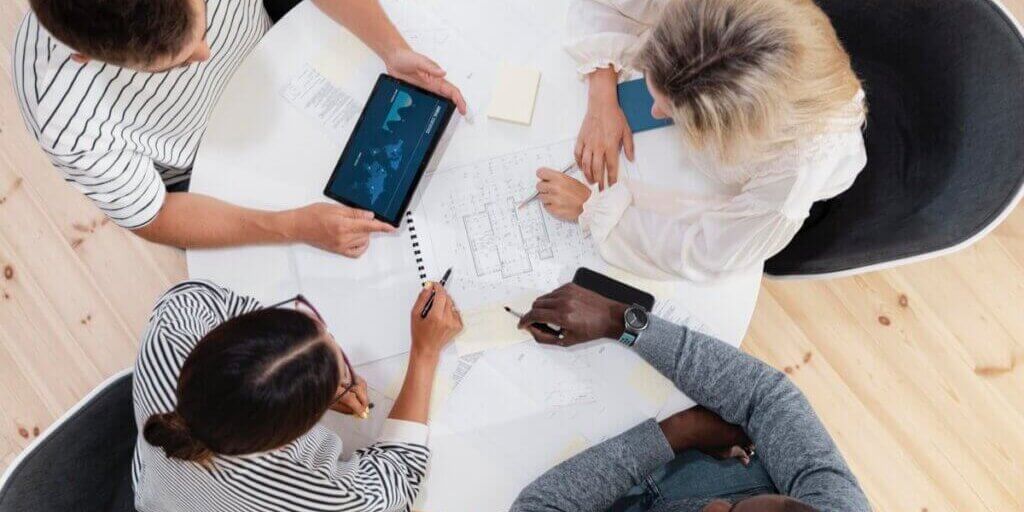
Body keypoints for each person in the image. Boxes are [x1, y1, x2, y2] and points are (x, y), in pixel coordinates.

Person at [13, 0, 467, 258]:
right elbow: (153, 214)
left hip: (275, 38)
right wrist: (291, 226)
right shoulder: (60, 114)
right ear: (85, 57)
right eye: (178, 64)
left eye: (203, 26)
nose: (205, 54)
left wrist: (391, 48)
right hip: (205, 169)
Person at [535, 0, 867, 281]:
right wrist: (601, 94)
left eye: (669, 110)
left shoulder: (793, 172)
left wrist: (591, 209)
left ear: (726, 134)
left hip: (756, 182)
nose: (653, 111)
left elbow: (706, 254)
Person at [509, 284, 871, 512]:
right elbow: (767, 396)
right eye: (736, 508)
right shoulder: (838, 508)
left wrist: (677, 433)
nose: (716, 506)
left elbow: (537, 507)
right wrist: (622, 322)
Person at [132, 280, 462, 511]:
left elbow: (206, 299)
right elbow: (398, 477)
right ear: (290, 437)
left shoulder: (171, 328)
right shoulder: (297, 482)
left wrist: (306, 372)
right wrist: (425, 352)